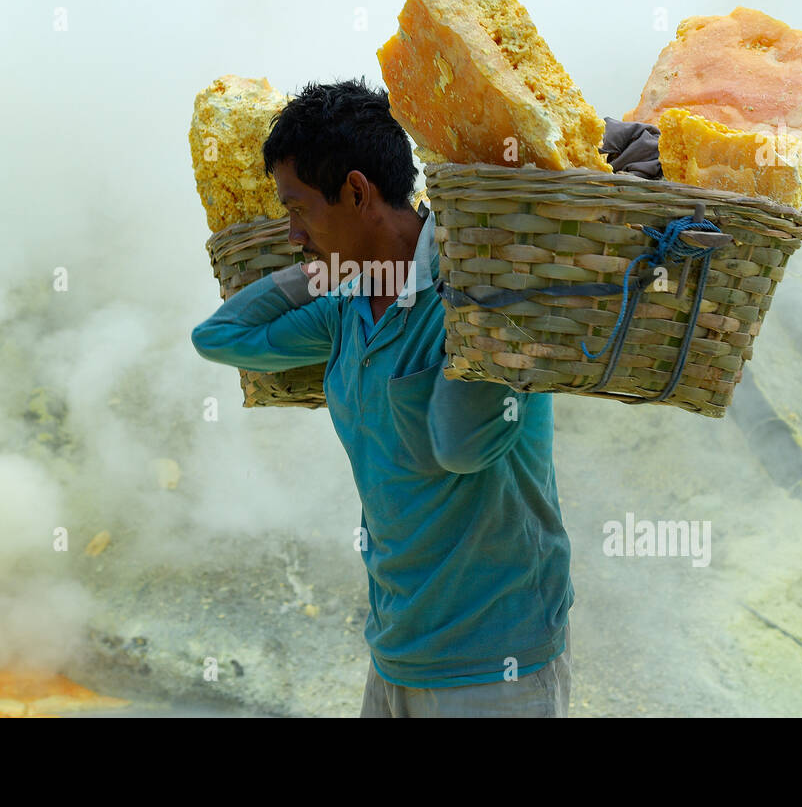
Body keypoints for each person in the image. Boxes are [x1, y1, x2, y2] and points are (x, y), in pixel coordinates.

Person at [191, 77, 573, 717]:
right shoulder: (346, 309)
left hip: (495, 668)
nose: (292, 233)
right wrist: (326, 266)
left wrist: (462, 282)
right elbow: (221, 336)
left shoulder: (481, 294)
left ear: (358, 191)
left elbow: (459, 447)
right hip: (395, 653)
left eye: (298, 210)